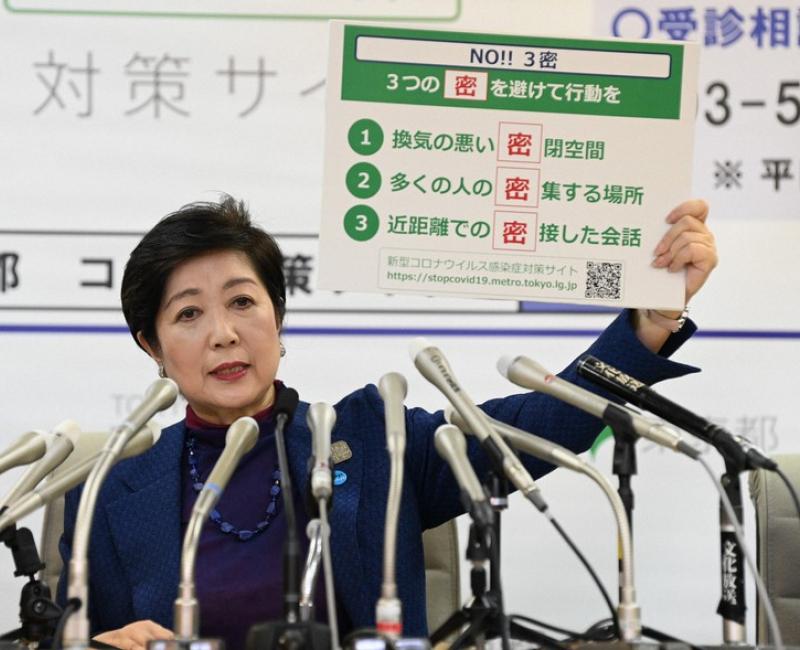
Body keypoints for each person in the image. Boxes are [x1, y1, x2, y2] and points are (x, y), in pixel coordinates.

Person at [57, 195, 718, 650]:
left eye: (242, 302)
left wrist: (650, 321)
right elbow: (72, 635)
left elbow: (536, 428)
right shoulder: (107, 495)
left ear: (277, 318)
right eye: (188, 314)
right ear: (152, 346)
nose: (224, 333)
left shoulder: (377, 443)